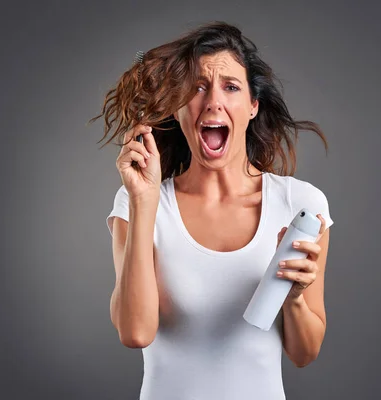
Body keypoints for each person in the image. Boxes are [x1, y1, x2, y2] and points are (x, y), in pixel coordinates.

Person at [91, 21, 334, 400]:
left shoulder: (300, 205)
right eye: (197, 87)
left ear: (253, 106)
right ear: (177, 108)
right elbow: (135, 332)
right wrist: (145, 202)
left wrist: (294, 297)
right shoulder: (139, 202)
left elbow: (305, 354)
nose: (213, 102)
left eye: (231, 87)